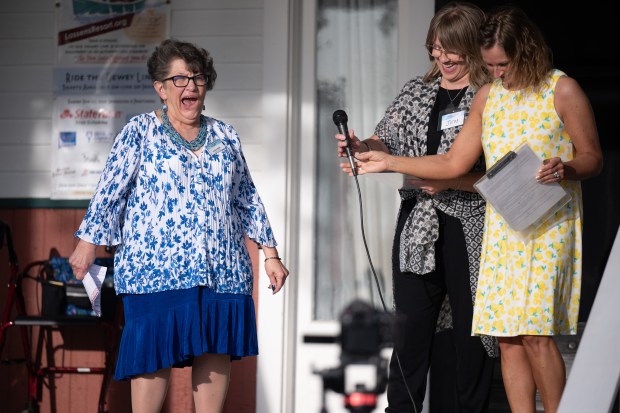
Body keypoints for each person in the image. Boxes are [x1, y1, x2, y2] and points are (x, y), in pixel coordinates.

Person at [346, 6, 603, 413]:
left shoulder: (560, 89)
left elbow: (593, 158)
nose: (497, 72)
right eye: (491, 65)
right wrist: (382, 158)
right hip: (499, 226)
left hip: (538, 223)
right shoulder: (487, 96)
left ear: (527, 52)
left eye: (503, 64)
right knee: (503, 336)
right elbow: (449, 161)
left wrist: (566, 167)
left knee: (532, 333)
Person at [69, 39, 289, 413]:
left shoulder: (226, 136)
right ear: (161, 88)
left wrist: (270, 254)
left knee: (215, 357)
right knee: (152, 369)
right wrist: (88, 242)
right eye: (179, 79)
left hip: (224, 271)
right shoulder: (139, 132)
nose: (190, 86)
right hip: (155, 272)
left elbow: (246, 196)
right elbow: (110, 191)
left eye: (198, 77)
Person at [335, 3, 497, 412]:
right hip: (418, 223)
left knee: (471, 338)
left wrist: (405, 167)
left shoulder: (490, 96)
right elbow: (384, 140)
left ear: (473, 47)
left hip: (471, 224)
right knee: (409, 336)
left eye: (451, 50)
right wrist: (363, 147)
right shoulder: (416, 91)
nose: (442, 58)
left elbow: (494, 169)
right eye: (435, 49)